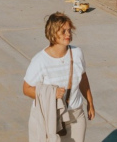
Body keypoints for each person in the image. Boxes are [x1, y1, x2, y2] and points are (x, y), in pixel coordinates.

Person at [23, 12, 95, 142]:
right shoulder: (40, 61)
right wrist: (51, 93)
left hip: (75, 115)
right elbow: (26, 88)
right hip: (49, 117)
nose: (68, 34)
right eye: (63, 31)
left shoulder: (77, 53)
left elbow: (83, 78)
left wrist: (90, 102)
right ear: (53, 33)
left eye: (69, 30)